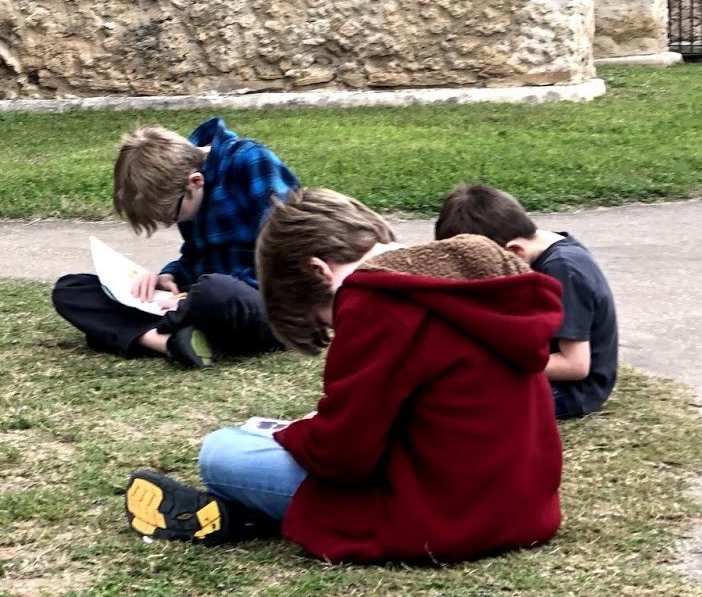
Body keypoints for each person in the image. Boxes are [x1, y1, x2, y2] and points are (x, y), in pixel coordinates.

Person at [123, 187, 564, 564]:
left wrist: (295, 434)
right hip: (527, 507)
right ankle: (244, 513)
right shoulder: (468, 269)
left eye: (325, 319)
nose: (338, 327)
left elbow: (344, 457)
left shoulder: (373, 302)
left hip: (443, 515)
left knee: (222, 452)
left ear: (318, 270)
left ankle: (244, 513)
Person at [51, 118, 295, 369]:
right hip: (200, 302)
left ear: (195, 182)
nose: (169, 225)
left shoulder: (252, 162)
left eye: (171, 215)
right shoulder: (183, 190)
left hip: (269, 304)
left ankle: (145, 333)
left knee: (215, 291)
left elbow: (287, 256)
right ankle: (168, 342)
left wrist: (191, 299)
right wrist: (170, 276)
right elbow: (196, 255)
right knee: (71, 289)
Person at [434, 182, 619, 419]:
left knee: (450, 398)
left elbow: (576, 366)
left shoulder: (563, 269)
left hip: (572, 390)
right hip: (538, 362)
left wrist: (492, 367)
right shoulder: (542, 245)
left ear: (515, 252)